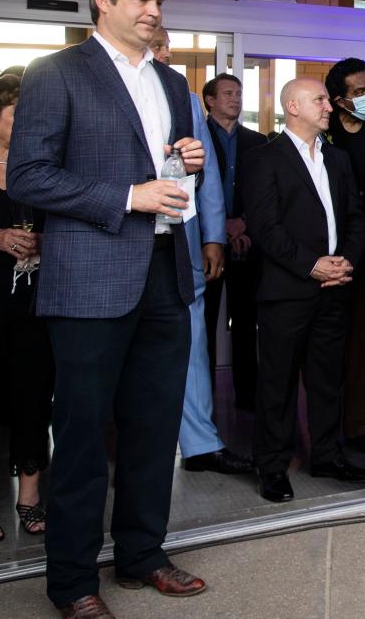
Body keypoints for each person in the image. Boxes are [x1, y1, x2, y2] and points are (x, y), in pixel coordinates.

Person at [7, 0, 209, 616]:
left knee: (153, 429)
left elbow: (172, 173)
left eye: (158, 1)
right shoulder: (56, 74)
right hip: (89, 277)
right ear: (101, 0)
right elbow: (29, 177)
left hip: (163, 274)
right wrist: (129, 194)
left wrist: (189, 164)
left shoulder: (174, 84)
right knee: (84, 434)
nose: (153, 11)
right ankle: (71, 583)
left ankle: (142, 554)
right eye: (140, 0)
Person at [242, 77, 365, 504]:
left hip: (335, 286)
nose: (328, 107)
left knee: (327, 378)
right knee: (277, 383)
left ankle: (328, 456)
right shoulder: (265, 158)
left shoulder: (336, 158)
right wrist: (311, 265)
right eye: (319, 100)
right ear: (292, 107)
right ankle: (273, 467)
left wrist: (344, 262)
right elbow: (265, 227)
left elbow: (356, 216)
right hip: (286, 290)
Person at [149, 28, 253, 475]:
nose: (167, 52)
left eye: (167, 44)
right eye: (159, 44)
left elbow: (205, 173)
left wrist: (212, 238)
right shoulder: (84, 85)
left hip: (182, 243)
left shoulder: (184, 98)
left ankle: (200, 443)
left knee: (193, 345)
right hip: (120, 241)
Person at [0, 73, 51, 541]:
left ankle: (30, 496)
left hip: (35, 300)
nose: (26, 122)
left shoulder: (37, 168)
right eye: (17, 114)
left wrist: (42, 241)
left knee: (33, 396)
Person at [202, 73, 268, 412]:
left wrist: (245, 224)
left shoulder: (257, 142)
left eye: (239, 94)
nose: (236, 99)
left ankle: (248, 397)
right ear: (210, 100)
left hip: (246, 244)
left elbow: (265, 194)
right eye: (228, 93)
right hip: (206, 244)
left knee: (246, 322)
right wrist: (219, 226)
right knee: (206, 322)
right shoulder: (196, 139)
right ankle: (205, 400)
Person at [324, 58, 365, 454]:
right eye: (359, 93)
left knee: (364, 344)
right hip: (328, 256)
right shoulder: (325, 139)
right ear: (339, 100)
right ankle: (324, 433)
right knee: (327, 346)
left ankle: (360, 426)